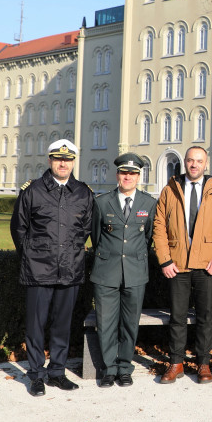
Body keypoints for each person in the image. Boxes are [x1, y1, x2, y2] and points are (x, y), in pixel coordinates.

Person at [11, 139, 95, 397]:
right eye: (58, 159)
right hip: (39, 270)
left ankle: (57, 372)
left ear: (73, 162)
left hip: (69, 270)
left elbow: (86, 229)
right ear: (49, 160)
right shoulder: (33, 190)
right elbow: (19, 228)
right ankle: (36, 374)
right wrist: (34, 255)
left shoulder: (83, 192)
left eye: (67, 159)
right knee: (36, 325)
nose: (63, 163)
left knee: (62, 324)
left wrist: (70, 252)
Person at [153, 146, 212, 385]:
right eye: (190, 160)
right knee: (177, 316)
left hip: (206, 264)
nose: (194, 165)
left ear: (206, 164)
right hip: (177, 263)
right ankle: (176, 362)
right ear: (184, 162)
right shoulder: (170, 189)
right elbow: (159, 226)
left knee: (205, 316)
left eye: (199, 161)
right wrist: (164, 259)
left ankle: (203, 363)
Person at [89, 153, 157, 388]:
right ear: (117, 175)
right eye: (124, 173)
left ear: (139, 176)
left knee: (130, 323)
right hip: (106, 271)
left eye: (133, 173)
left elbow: (147, 237)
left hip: (135, 272)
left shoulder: (149, 203)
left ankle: (125, 367)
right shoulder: (102, 202)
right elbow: (96, 237)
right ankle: (108, 369)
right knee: (106, 321)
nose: (128, 177)